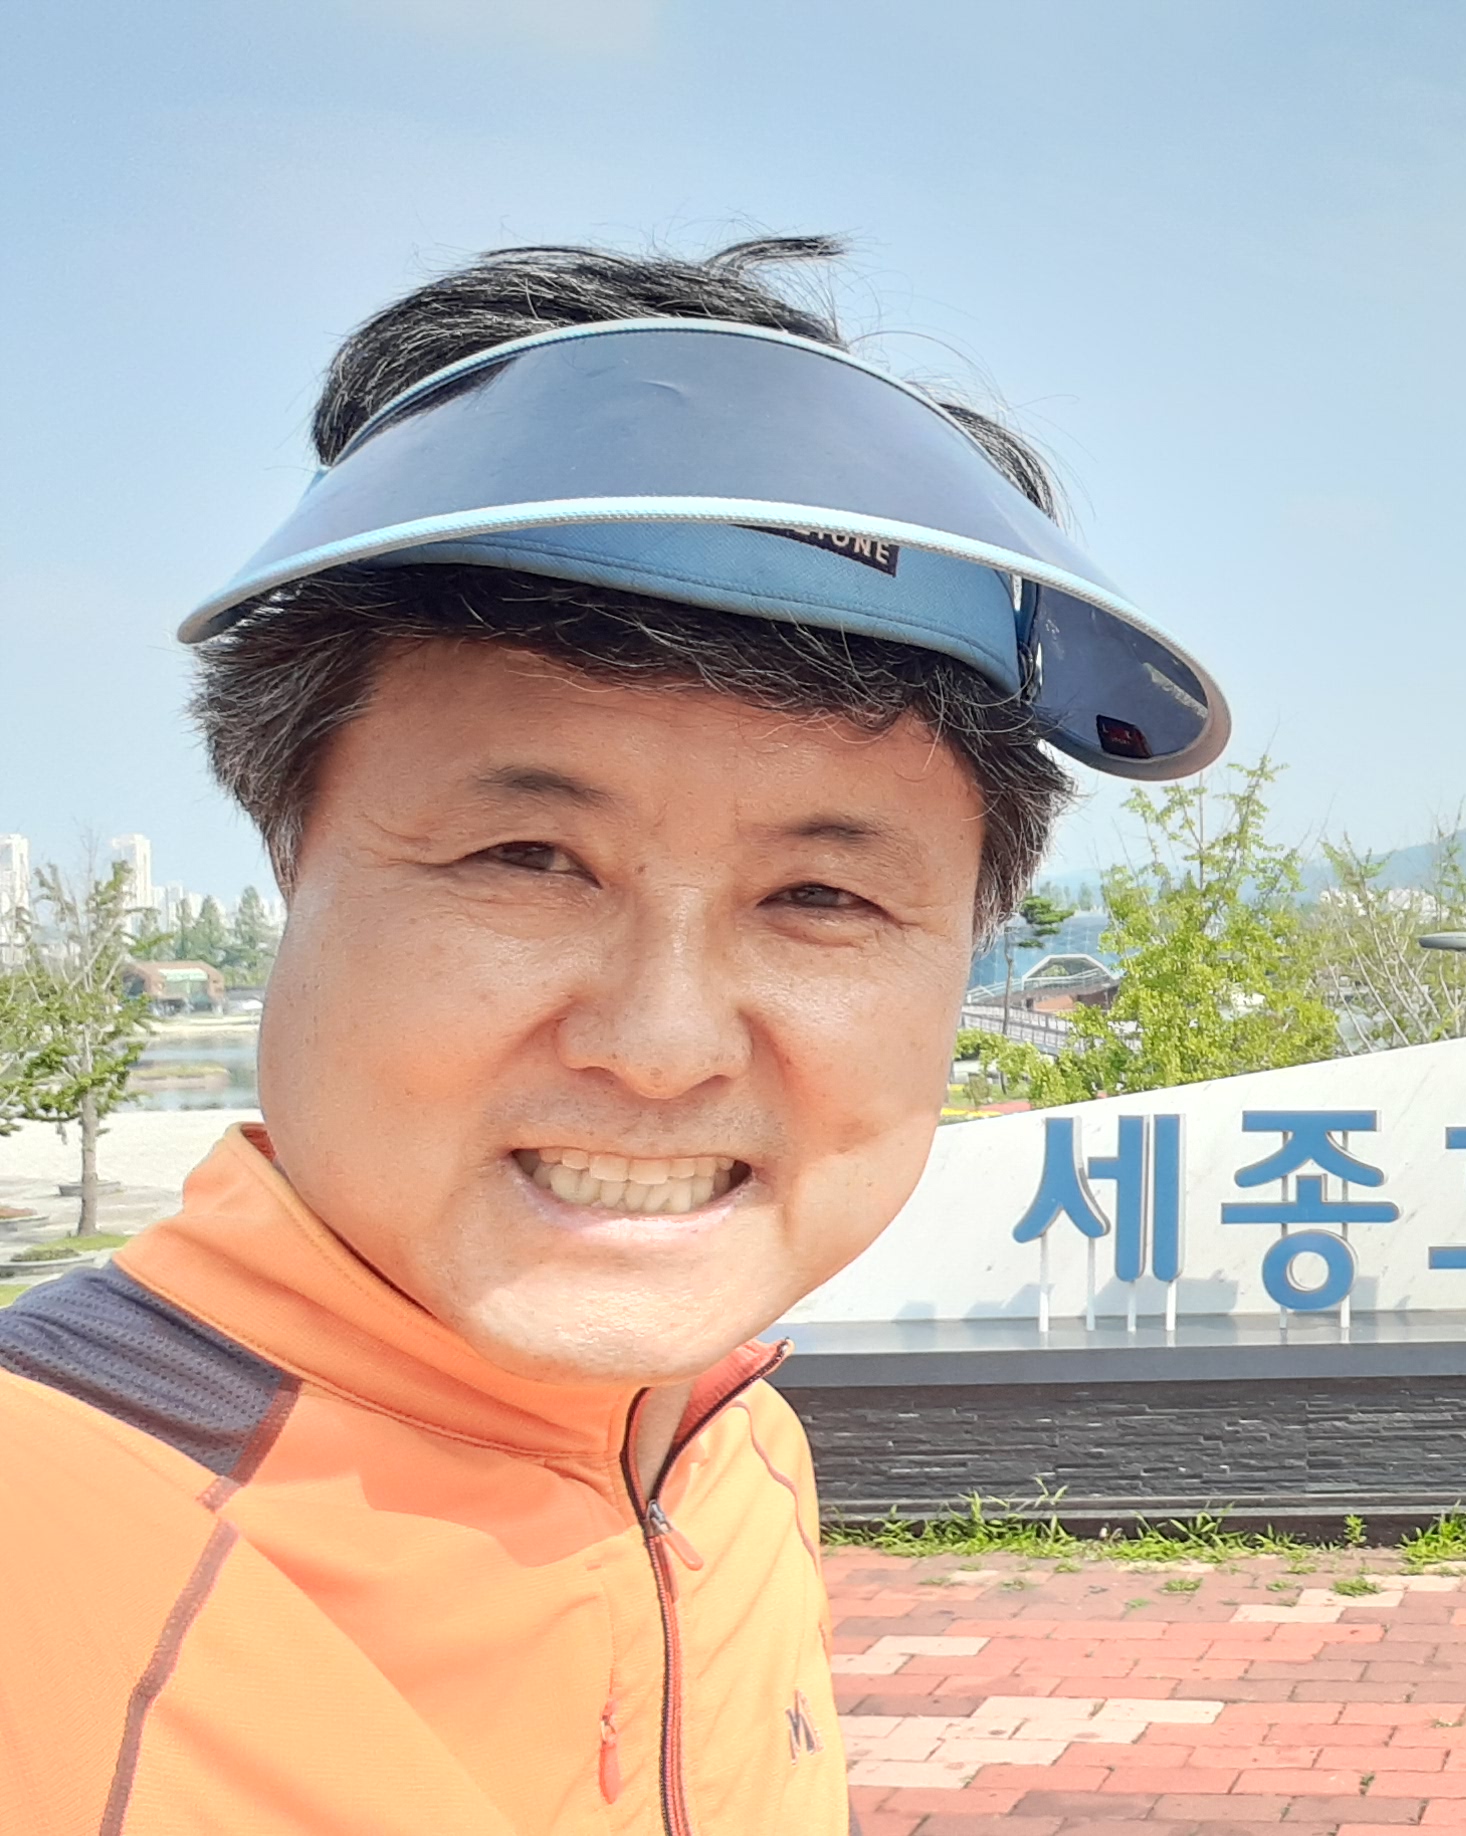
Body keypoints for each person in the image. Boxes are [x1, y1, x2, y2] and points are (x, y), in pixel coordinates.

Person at [0, 238, 1228, 1833]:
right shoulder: (47, 1542)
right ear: (292, 859)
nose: (661, 1045)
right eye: (528, 858)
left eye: (822, 895)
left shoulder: (728, 1448)